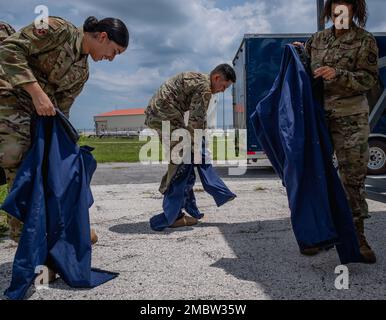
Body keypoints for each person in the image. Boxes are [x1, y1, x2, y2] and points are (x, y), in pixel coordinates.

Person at [0, 16, 129, 244]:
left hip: (38, 113)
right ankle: (27, 241)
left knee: (58, 166)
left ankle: (69, 225)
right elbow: (8, 49)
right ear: (102, 36)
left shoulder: (82, 72)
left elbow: (61, 110)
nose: (111, 58)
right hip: (11, 94)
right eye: (115, 51)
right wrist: (37, 93)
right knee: (18, 157)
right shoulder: (55, 27)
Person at [295, 0, 378, 263]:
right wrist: (300, 56)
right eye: (334, 10)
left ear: (355, 10)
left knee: (352, 179)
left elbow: (368, 79)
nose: (338, 14)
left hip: (350, 118)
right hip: (319, 118)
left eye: (344, 9)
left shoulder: (365, 40)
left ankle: (357, 238)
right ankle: (316, 233)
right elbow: (307, 73)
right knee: (313, 174)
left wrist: (337, 73)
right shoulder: (317, 39)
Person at [145, 64, 237, 230]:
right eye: (224, 86)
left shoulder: (201, 81)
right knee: (183, 163)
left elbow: (200, 120)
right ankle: (171, 216)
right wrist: (198, 150)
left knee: (186, 161)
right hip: (165, 117)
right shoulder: (205, 89)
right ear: (216, 78)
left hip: (162, 115)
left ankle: (186, 209)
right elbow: (195, 124)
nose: (223, 90)